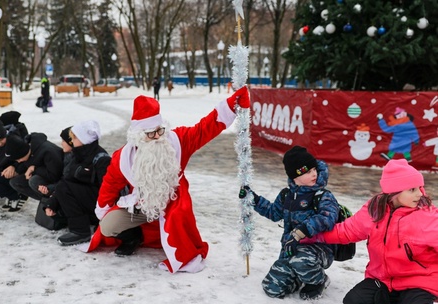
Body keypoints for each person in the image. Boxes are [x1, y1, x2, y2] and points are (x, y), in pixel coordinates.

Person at [83, 86, 250, 274]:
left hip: (171, 205)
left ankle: (175, 245)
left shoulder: (177, 141)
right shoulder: (123, 158)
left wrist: (231, 105)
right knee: (107, 225)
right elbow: (109, 185)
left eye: (160, 131)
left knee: (178, 218)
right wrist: (103, 209)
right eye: (150, 134)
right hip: (140, 207)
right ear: (138, 136)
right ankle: (135, 237)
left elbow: (205, 128)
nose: (157, 137)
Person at [304, 159, 438, 304]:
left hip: (420, 282)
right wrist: (310, 236)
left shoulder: (428, 217)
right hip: (382, 281)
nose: (420, 194)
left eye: (420, 187)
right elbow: (347, 231)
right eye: (412, 189)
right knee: (353, 300)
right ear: (394, 192)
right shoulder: (374, 211)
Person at [239, 146, 339, 300]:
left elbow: (328, 218)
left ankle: (318, 281)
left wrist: (301, 231)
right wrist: (253, 199)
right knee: (271, 287)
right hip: (290, 251)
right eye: (307, 172)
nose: (313, 174)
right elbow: (273, 213)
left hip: (318, 249)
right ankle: (298, 277)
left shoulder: (323, 195)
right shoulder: (286, 195)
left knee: (301, 259)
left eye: (314, 169)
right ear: (295, 176)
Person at [40, 121, 111, 246]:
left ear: (85, 139)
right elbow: (66, 180)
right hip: (89, 202)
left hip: (100, 206)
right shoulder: (78, 154)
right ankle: (79, 224)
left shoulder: (101, 158)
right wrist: (52, 203)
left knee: (65, 187)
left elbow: (107, 190)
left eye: (75, 137)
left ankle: (80, 231)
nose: (72, 141)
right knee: (62, 187)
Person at [5, 132, 63, 208]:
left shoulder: (47, 151)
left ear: (22, 153)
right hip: (43, 174)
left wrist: (34, 169)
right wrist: (14, 169)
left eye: (18, 159)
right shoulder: (27, 152)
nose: (18, 161)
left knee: (34, 181)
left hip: (58, 179)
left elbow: (54, 175)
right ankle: (47, 201)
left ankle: (55, 202)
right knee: (15, 182)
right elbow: (25, 163)